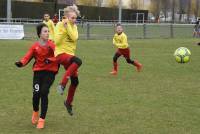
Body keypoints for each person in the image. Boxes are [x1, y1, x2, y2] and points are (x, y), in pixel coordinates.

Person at [15, 23, 58, 129]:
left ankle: (42, 119)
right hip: (38, 73)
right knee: (36, 94)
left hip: (50, 72)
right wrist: (21, 63)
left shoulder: (52, 45)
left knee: (44, 92)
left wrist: (50, 60)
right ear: (39, 34)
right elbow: (27, 57)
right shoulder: (35, 47)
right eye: (45, 31)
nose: (47, 33)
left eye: (48, 31)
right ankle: (35, 111)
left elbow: (59, 56)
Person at [54, 5, 82, 116]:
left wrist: (68, 27)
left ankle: (68, 103)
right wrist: (64, 30)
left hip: (70, 57)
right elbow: (56, 41)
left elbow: (74, 38)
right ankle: (62, 84)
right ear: (66, 17)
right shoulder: (60, 25)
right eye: (72, 18)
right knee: (78, 61)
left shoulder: (74, 27)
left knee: (75, 82)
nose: (74, 20)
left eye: (75, 18)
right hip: (60, 54)